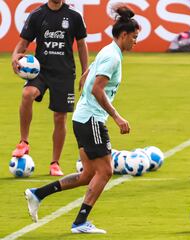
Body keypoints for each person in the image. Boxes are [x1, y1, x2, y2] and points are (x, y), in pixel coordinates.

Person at [24, 5, 139, 234]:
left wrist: (85, 78)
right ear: (123, 35)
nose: (136, 41)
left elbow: (91, 75)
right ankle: (80, 222)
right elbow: (98, 89)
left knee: (88, 174)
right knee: (105, 172)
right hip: (92, 120)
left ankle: (38, 194)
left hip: (82, 118)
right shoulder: (113, 57)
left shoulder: (109, 52)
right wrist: (117, 117)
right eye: (134, 37)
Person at [11, 0, 88, 176]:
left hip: (64, 73)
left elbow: (82, 45)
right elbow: (23, 43)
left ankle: (55, 163)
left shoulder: (74, 16)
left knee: (60, 118)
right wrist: (15, 57)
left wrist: (85, 72)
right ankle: (24, 142)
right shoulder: (37, 15)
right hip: (41, 71)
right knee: (27, 93)